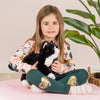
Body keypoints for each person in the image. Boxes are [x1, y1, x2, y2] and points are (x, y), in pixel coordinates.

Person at [9, 5, 92, 95]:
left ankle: (46, 88)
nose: (51, 27)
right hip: (38, 77)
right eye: (46, 23)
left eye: (54, 23)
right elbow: (12, 61)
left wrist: (61, 68)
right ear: (40, 26)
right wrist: (30, 68)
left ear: (60, 25)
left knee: (83, 73)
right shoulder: (32, 43)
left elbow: (72, 66)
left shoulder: (64, 46)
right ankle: (68, 90)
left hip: (56, 78)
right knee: (32, 74)